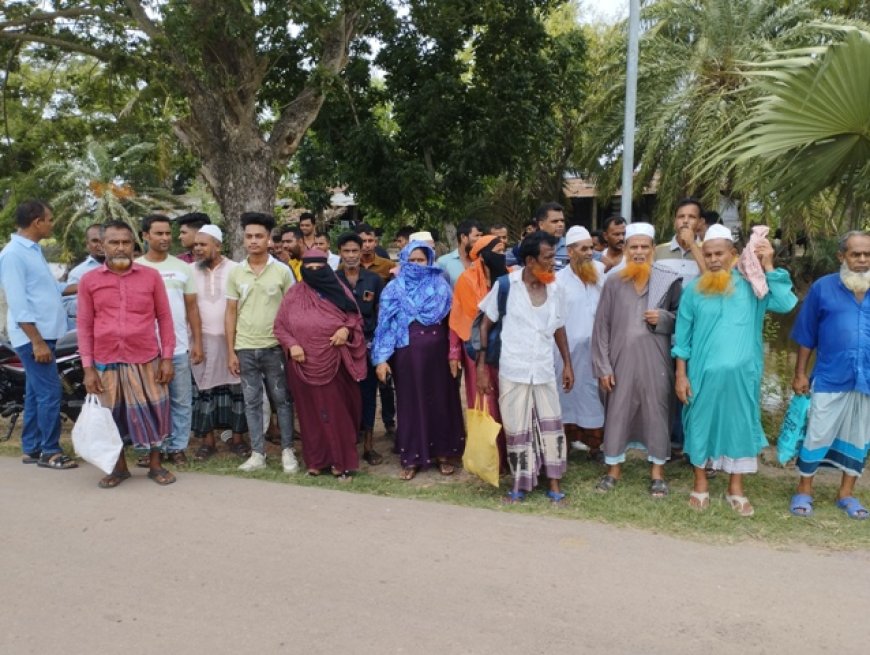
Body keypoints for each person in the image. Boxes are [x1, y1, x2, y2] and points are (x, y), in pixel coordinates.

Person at [673, 225, 796, 516]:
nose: (714, 259)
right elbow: (682, 337)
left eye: (720, 253)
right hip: (702, 376)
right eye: (709, 254)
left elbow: (785, 303)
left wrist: (768, 265)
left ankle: (735, 489)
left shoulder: (754, 285)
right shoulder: (693, 290)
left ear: (734, 254)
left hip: (744, 377)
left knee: (740, 427)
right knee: (700, 425)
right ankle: (700, 484)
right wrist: (681, 374)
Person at [476, 232, 573, 503]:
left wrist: (567, 364)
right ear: (530, 260)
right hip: (513, 367)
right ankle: (520, 484)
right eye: (549, 257)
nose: (554, 262)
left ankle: (554, 483)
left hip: (543, 368)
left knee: (551, 426)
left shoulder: (555, 289)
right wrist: (481, 367)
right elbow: (485, 325)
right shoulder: (507, 285)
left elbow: (559, 327)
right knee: (517, 429)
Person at [77, 220, 176, 487]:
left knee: (157, 411)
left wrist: (167, 357)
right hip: (106, 361)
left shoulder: (150, 277)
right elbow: (84, 326)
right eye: (113, 242)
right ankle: (119, 468)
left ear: (134, 244)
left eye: (126, 242)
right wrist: (88, 368)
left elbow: (165, 318)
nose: (120, 248)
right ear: (102, 245)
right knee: (112, 416)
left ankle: (155, 465)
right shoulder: (89, 281)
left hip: (146, 359)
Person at [591, 222, 681, 497]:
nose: (639, 252)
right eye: (634, 247)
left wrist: (664, 319)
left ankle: (657, 473)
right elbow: (601, 327)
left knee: (657, 413)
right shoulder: (614, 282)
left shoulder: (669, 280)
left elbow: (684, 322)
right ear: (626, 249)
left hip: (656, 363)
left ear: (653, 249)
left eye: (644, 247)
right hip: (620, 362)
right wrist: (603, 367)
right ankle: (613, 469)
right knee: (617, 414)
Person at [789, 230, 870, 520]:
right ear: (842, 256)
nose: (862, 259)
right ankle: (804, 490)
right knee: (817, 431)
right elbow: (806, 334)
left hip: (867, 381)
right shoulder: (823, 288)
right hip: (830, 376)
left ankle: (846, 494)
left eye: (867, 254)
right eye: (855, 254)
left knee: (859, 436)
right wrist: (800, 373)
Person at [372, 241, 465, 480]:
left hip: (438, 355)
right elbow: (385, 326)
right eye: (411, 260)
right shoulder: (393, 289)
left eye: (420, 260)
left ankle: (444, 454)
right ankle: (411, 457)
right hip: (407, 354)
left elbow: (452, 323)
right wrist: (381, 358)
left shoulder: (441, 286)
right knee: (410, 403)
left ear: (430, 261)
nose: (416, 265)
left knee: (442, 401)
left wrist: (454, 353)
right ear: (403, 260)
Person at [274, 249, 367, 480]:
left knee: (336, 413)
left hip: (334, 363)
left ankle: (340, 461)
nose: (314, 273)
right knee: (309, 415)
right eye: (309, 269)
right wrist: (292, 344)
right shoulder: (294, 294)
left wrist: (345, 330)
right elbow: (280, 327)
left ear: (327, 267)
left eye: (319, 268)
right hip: (302, 364)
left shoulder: (339, 290)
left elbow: (355, 317)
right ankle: (316, 461)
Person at [0, 200, 78, 469]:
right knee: (49, 393)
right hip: (35, 338)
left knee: (35, 393)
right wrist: (36, 341)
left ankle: (32, 448)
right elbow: (19, 304)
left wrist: (88, 285)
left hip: (46, 335)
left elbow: (52, 289)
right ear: (36, 222)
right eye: (50, 219)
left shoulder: (32, 251)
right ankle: (50, 452)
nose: (52, 223)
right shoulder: (13, 254)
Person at [225, 212, 299, 474]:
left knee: (282, 400)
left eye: (259, 236)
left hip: (275, 348)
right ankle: (258, 453)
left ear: (269, 239)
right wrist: (230, 351)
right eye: (249, 236)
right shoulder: (236, 272)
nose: (254, 241)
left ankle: (288, 451)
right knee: (252, 401)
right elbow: (231, 312)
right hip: (245, 348)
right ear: (243, 239)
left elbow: (292, 310)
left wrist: (291, 345)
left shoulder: (281, 271)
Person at [137, 214, 203, 467]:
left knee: (181, 400)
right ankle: (152, 448)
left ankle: (177, 447)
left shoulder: (182, 267)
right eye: (159, 233)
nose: (165, 238)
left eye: (168, 233)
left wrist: (196, 342)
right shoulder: (136, 268)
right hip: (145, 349)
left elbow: (192, 309)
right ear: (145, 236)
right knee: (149, 400)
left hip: (178, 346)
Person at [189, 225, 250, 461]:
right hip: (201, 341)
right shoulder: (189, 271)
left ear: (218, 245)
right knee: (205, 391)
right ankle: (207, 442)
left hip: (233, 341)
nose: (197, 249)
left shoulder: (236, 270)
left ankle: (237, 439)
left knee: (237, 390)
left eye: (203, 244)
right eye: (195, 245)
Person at [448, 234, 510, 467]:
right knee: (487, 405)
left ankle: (511, 456)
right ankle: (493, 460)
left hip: (509, 351)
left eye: (505, 250)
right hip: (477, 353)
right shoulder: (466, 281)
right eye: (498, 251)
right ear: (484, 256)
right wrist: (454, 353)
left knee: (509, 403)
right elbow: (458, 319)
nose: (502, 255)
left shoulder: (511, 277)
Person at [654, 198, 706, 456]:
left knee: (694, 388)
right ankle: (670, 444)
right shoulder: (659, 251)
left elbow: (713, 283)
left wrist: (695, 248)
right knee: (667, 388)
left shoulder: (710, 252)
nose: (685, 221)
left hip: (699, 336)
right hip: (664, 333)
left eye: (691, 217)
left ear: (700, 223)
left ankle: (692, 445)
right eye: (680, 216)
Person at [555, 226, 606, 461]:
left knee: (594, 396)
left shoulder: (599, 271)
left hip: (595, 351)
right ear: (570, 251)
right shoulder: (558, 281)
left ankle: (595, 447)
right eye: (584, 248)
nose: (589, 252)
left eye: (591, 248)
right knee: (566, 397)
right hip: (567, 354)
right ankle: (565, 445)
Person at [336, 232, 386, 464]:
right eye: (346, 251)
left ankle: (368, 446)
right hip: (341, 348)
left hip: (368, 346)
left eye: (355, 251)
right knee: (345, 395)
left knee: (368, 394)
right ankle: (347, 443)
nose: (351, 255)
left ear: (361, 252)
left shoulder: (374, 279)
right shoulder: (333, 280)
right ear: (340, 253)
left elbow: (381, 314)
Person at [63, 222, 105, 324]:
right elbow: (67, 306)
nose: (100, 245)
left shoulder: (121, 268)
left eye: (104, 240)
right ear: (87, 244)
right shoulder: (78, 272)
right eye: (95, 241)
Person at [436, 219, 483, 287]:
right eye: (477, 235)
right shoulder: (443, 262)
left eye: (481, 235)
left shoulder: (482, 260)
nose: (480, 239)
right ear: (463, 237)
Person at [533, 202, 569, 271]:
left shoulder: (571, 246)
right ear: (541, 225)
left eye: (562, 221)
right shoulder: (530, 246)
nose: (560, 224)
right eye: (555, 221)